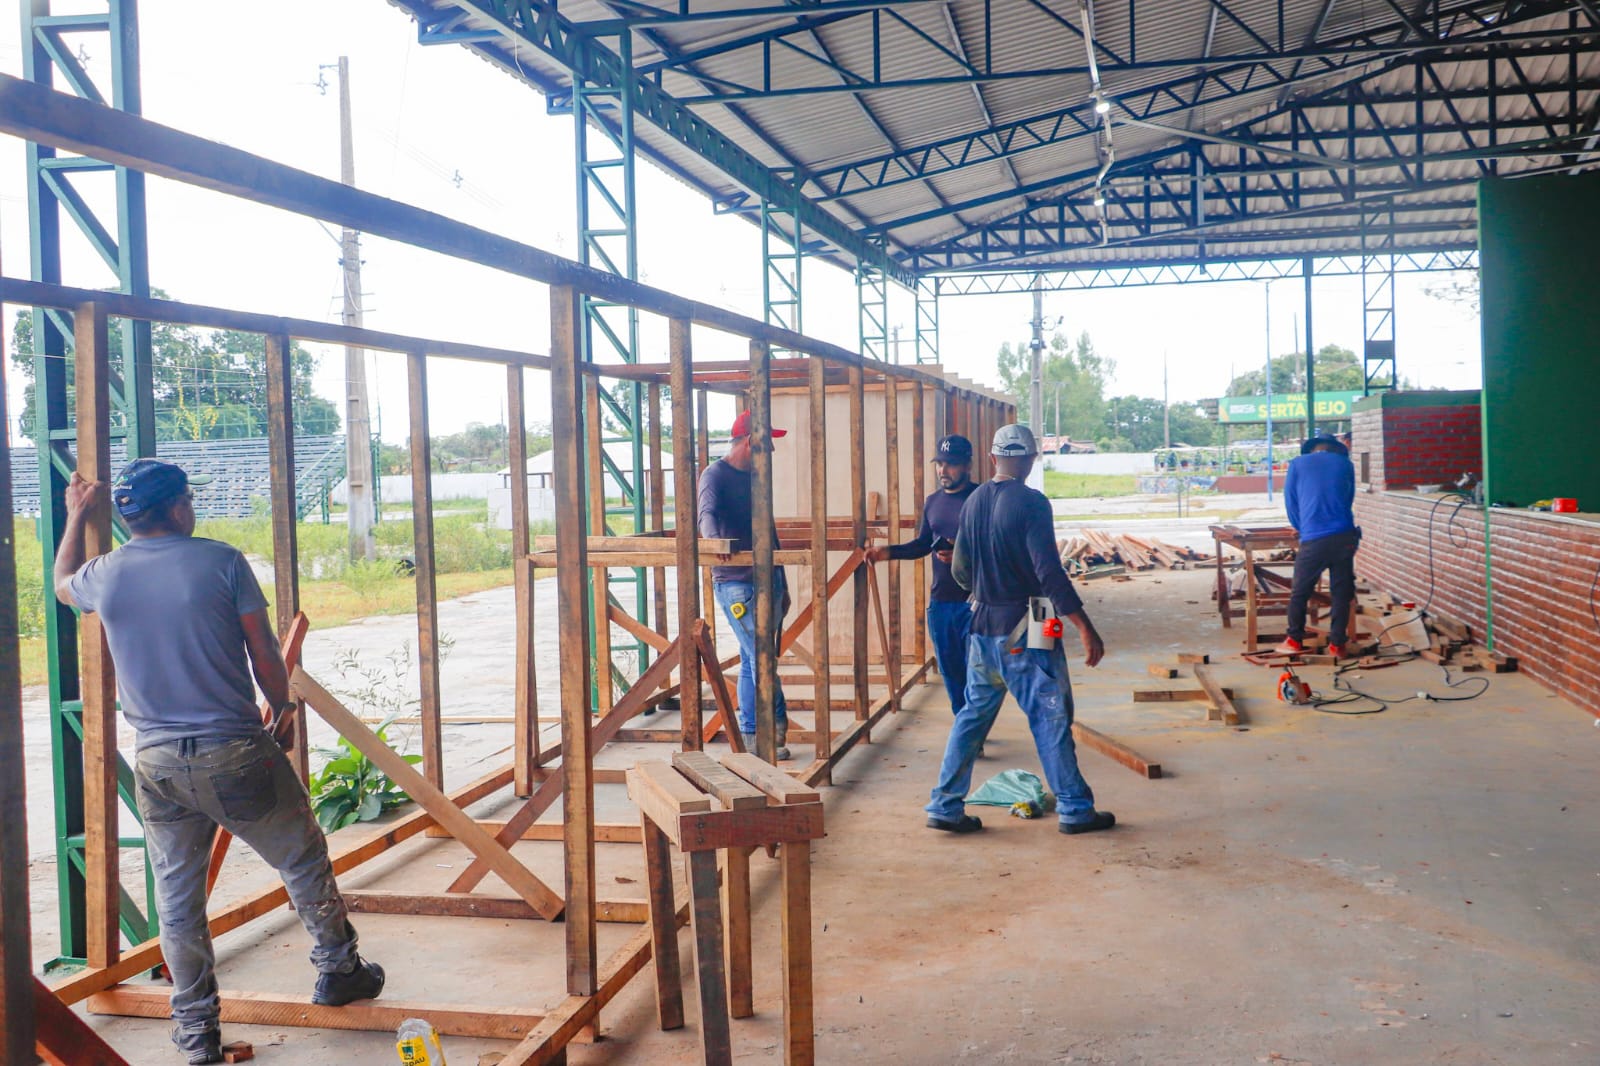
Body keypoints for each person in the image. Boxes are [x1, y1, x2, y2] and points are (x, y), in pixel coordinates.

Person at [54, 460, 383, 1065]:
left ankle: (195, 1031)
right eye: (188, 498)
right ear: (177, 507)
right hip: (234, 751)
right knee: (302, 858)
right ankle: (340, 970)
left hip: (157, 764)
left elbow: (61, 582)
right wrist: (283, 706)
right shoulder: (221, 561)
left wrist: (76, 515)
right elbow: (263, 650)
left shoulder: (105, 575)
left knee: (178, 900)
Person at [925, 424, 1116, 837]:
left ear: (993, 458)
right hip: (1035, 613)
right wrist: (1084, 626)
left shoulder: (973, 501)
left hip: (981, 618)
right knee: (1051, 713)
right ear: (1031, 459)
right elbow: (1049, 572)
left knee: (972, 716)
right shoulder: (1032, 503)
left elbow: (960, 570)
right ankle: (1075, 808)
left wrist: (985, 589)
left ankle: (945, 804)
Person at [698, 409, 792, 760]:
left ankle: (758, 735)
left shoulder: (756, 478)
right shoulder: (715, 475)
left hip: (768, 578)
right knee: (760, 657)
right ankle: (770, 731)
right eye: (767, 444)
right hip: (737, 582)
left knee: (756, 660)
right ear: (750, 441)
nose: (772, 451)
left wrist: (783, 582)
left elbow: (769, 528)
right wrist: (715, 543)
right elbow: (706, 515)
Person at [866, 434, 979, 720]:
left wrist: (962, 555)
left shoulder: (983, 499)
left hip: (977, 602)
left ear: (968, 465)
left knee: (978, 672)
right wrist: (886, 552)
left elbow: (998, 548)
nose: (943, 470)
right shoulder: (933, 502)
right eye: (939, 463)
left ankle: (972, 727)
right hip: (941, 603)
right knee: (952, 672)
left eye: (951, 464)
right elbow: (922, 545)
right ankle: (964, 727)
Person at [1278, 433, 1359, 659]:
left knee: (1300, 591)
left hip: (1314, 537)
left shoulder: (1298, 464)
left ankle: (1294, 640)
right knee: (1341, 592)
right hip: (1345, 535)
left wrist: (1302, 527)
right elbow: (1348, 498)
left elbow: (1291, 501)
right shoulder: (1346, 464)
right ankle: (1337, 646)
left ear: (1313, 449)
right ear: (1335, 449)